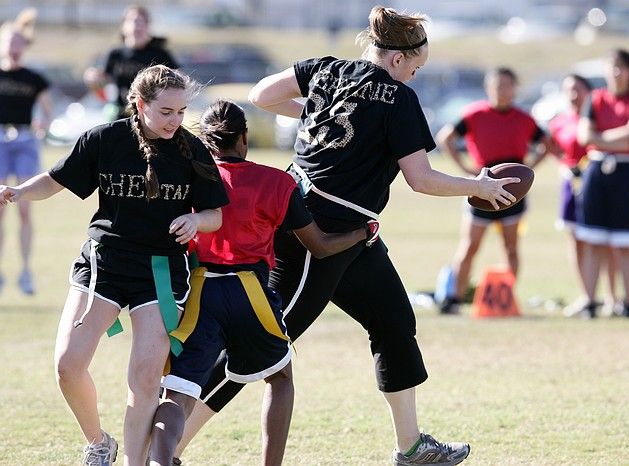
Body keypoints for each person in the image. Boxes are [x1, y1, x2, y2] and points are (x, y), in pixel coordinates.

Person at [174, 6, 520, 466]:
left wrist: (319, 116)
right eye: (417, 65)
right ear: (397, 59)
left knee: (394, 321)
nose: (416, 73)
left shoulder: (327, 69)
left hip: (351, 234)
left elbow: (262, 94)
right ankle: (167, 448)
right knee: (261, 346)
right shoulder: (398, 99)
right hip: (314, 235)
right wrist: (478, 186)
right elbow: (421, 179)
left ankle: (411, 447)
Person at [0, 64, 228, 465]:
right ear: (140, 105)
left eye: (180, 112)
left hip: (159, 273)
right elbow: (55, 180)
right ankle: (99, 443)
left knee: (144, 378)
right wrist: (17, 192)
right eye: (165, 112)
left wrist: (196, 220)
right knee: (68, 366)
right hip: (104, 264)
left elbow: (216, 214)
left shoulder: (193, 151)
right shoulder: (104, 139)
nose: (175, 121)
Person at [148, 100, 378, 466]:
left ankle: (159, 461)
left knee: (177, 393)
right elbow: (319, 247)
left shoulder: (187, 178)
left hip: (199, 292)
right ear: (244, 137)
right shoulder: (277, 182)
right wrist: (362, 232)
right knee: (280, 378)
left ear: (206, 143)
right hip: (250, 292)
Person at [434, 67, 547, 314]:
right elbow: (446, 138)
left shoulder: (523, 118)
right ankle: (454, 298)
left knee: (511, 247)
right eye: (497, 86)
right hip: (482, 188)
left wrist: (529, 168)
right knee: (469, 246)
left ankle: (504, 298)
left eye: (507, 85)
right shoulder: (475, 114)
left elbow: (547, 143)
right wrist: (465, 168)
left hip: (512, 193)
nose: (502, 91)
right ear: (489, 88)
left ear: (515, 88)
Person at [576, 49, 629, 319]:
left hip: (625, 171)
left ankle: (627, 302)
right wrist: (611, 140)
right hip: (595, 170)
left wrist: (600, 137)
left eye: (621, 67)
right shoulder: (594, 99)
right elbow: (584, 135)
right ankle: (590, 301)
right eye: (611, 66)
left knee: (625, 241)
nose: (616, 72)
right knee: (594, 239)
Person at [548, 75, 620, 317]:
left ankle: (612, 298)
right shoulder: (559, 122)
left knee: (604, 240)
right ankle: (587, 296)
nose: (573, 94)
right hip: (571, 183)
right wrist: (563, 167)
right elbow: (554, 149)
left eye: (578, 89)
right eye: (568, 89)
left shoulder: (597, 117)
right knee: (576, 240)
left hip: (597, 181)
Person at [0, 8, 52, 295]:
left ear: (25, 46)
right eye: (9, 41)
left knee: (23, 207)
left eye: (19, 42)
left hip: (24, 141)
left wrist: (43, 122)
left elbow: (47, 109)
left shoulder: (34, 78)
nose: (14, 47)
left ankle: (25, 271)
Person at [83, 5, 178, 119]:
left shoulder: (160, 54)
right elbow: (101, 83)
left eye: (140, 22)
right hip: (120, 114)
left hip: (149, 117)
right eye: (132, 21)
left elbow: (177, 81)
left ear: (148, 27)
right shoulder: (115, 54)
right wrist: (92, 78)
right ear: (123, 26)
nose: (136, 26)